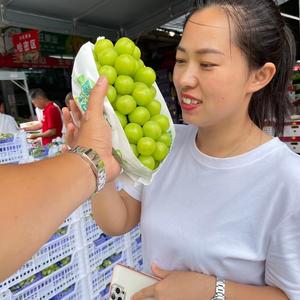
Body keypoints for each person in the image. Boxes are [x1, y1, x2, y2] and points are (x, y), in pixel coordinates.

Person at [64, 1, 300, 299]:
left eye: (207, 64)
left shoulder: (288, 180)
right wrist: (96, 160)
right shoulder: (165, 143)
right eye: (181, 60)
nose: (184, 79)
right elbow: (118, 220)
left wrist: (211, 290)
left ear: (259, 76)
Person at [0, 77, 121, 282]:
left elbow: (117, 223)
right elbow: (115, 224)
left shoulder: (52, 109)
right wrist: (89, 162)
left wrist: (89, 161)